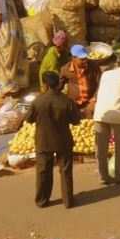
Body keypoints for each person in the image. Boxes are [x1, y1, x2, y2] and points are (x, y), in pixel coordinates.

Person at [26, 71, 81, 208]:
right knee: (65, 171)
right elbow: (76, 121)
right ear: (58, 83)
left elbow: (29, 119)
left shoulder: (38, 101)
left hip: (44, 141)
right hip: (63, 141)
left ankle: (42, 200)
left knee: (43, 171)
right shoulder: (67, 101)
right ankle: (68, 201)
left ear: (45, 84)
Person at [93, 53, 120, 185]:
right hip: (117, 115)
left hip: (100, 113)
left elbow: (101, 94)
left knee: (101, 148)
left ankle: (103, 176)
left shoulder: (106, 75)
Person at [61, 44, 100, 117]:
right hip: (74, 103)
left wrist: (94, 99)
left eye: (86, 58)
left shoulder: (94, 67)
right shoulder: (65, 69)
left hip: (90, 102)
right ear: (73, 58)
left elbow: (100, 84)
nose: (85, 61)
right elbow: (59, 86)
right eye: (82, 59)